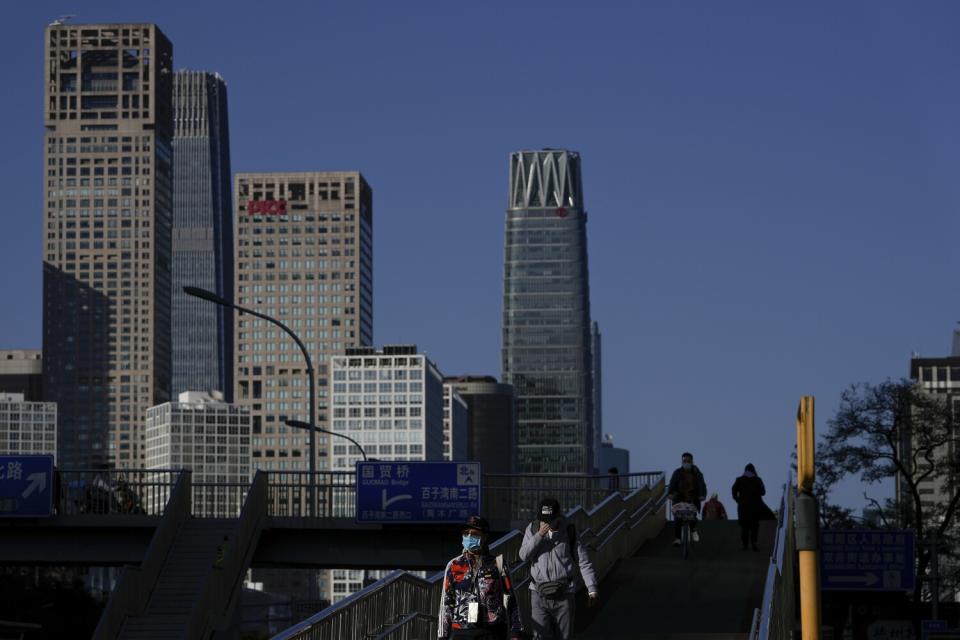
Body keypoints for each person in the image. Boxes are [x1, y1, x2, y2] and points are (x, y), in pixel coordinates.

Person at [519, 497, 598, 640]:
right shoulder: (533, 528)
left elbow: (583, 561)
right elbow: (523, 555)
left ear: (558, 516)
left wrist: (591, 588)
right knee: (540, 636)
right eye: (544, 519)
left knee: (564, 636)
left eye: (550, 519)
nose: (547, 523)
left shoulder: (569, 530)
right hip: (538, 592)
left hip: (564, 592)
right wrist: (539, 535)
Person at [438, 515, 522, 640]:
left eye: (475, 533)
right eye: (466, 533)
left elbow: (511, 599)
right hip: (461, 631)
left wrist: (516, 631)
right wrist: (442, 636)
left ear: (485, 536)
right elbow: (446, 602)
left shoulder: (498, 563)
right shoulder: (453, 565)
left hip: (492, 630)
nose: (469, 537)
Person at [667, 452, 707, 546]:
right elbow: (672, 483)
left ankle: (693, 530)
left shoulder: (697, 473)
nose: (686, 463)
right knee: (678, 518)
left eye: (688, 461)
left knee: (692, 517)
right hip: (679, 499)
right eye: (684, 461)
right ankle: (678, 538)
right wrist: (670, 493)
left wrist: (702, 495)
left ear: (692, 461)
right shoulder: (677, 472)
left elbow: (702, 485)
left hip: (693, 498)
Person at [732, 463, 766, 551]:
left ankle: (745, 545)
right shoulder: (758, 480)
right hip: (755, 506)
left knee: (744, 526)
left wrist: (737, 500)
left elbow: (733, 491)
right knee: (754, 525)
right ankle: (754, 543)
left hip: (743, 507)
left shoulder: (739, 480)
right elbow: (763, 492)